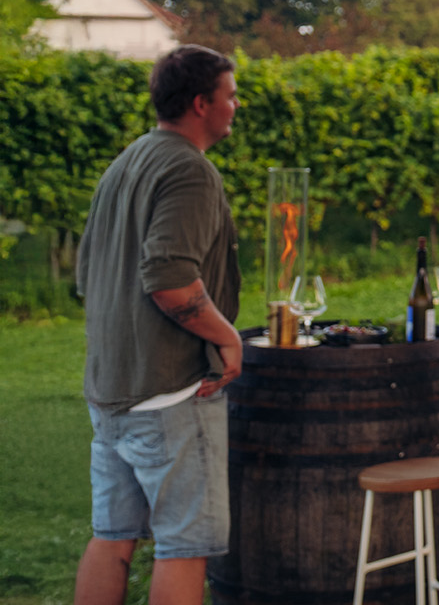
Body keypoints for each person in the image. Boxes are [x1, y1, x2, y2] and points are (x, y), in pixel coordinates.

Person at [72, 45, 244, 605]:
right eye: (230, 95)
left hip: (111, 394)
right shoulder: (189, 170)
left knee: (113, 538)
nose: (234, 106)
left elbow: (86, 274)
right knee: (182, 546)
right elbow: (169, 278)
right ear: (201, 103)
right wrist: (226, 337)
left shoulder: (126, 163)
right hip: (169, 395)